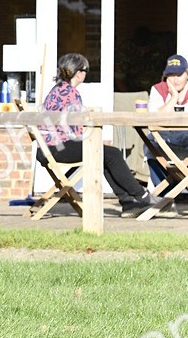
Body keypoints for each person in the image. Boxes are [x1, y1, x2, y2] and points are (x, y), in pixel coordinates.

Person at [40, 52, 154, 217]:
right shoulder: (70, 93)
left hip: (49, 148)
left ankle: (128, 202)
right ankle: (141, 195)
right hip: (58, 148)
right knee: (112, 154)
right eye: (86, 70)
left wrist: (96, 142)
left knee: (105, 154)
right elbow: (77, 128)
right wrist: (96, 141)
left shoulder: (57, 90)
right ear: (78, 73)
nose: (86, 74)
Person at [145, 53, 188, 199]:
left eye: (179, 75)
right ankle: (165, 193)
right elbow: (154, 119)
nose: (176, 79)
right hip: (164, 140)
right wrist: (174, 98)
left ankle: (181, 189)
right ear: (165, 76)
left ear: (187, 74)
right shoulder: (158, 89)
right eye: (171, 75)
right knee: (150, 142)